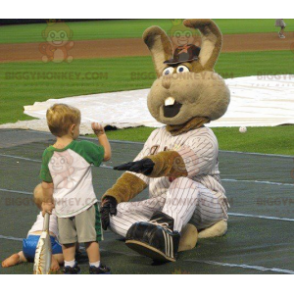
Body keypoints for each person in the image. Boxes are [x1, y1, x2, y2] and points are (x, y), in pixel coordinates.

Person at [41, 104, 112, 275]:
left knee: (67, 240)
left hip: (63, 207)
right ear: (73, 128)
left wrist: (47, 202)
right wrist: (101, 134)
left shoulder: (48, 154)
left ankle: (70, 266)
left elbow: (46, 184)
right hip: (84, 204)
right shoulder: (83, 148)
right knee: (90, 238)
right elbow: (106, 155)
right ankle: (95, 267)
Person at [1, 185, 63, 272]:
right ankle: (52, 258)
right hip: (47, 241)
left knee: (27, 255)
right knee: (67, 254)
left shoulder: (41, 214)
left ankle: (19, 257)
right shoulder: (59, 213)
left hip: (29, 243)